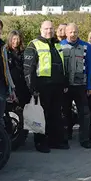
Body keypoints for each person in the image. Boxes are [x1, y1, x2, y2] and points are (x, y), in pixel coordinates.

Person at [24, 20, 67, 153]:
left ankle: (54, 141)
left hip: (57, 86)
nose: (49, 31)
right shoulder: (33, 44)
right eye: (46, 28)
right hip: (42, 86)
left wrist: (64, 82)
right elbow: (28, 68)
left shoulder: (57, 44)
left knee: (56, 115)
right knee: (42, 116)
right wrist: (32, 88)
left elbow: (62, 65)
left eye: (51, 29)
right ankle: (40, 142)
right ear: (41, 29)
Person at [60, 23, 91, 149]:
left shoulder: (86, 46)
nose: (73, 34)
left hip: (81, 85)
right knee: (65, 112)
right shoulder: (60, 46)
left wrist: (90, 86)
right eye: (70, 32)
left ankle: (85, 139)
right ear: (66, 33)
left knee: (84, 113)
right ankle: (65, 136)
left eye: (75, 32)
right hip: (66, 85)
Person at [7, 30, 31, 106]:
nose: (16, 41)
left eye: (18, 39)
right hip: (11, 84)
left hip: (22, 84)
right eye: (14, 39)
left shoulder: (24, 52)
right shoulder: (6, 52)